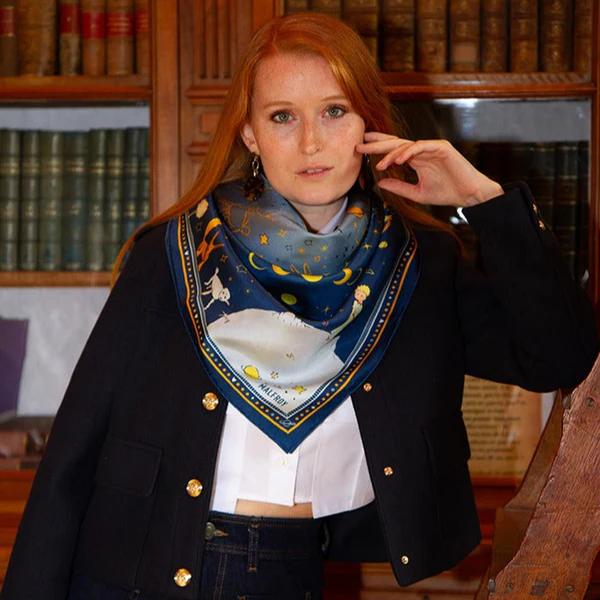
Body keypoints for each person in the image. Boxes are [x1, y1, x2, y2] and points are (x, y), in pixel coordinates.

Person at [2, 12, 598, 600]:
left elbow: (562, 356)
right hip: (144, 574)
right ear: (251, 135)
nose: (311, 142)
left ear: (368, 122)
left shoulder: (420, 264)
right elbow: (75, 449)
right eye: (282, 116)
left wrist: (484, 201)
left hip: (295, 568)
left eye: (334, 111)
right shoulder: (176, 252)